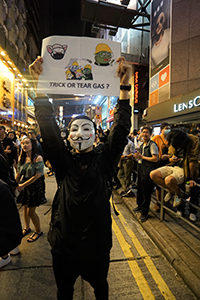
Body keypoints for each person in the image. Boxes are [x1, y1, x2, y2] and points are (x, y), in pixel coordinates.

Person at [29, 55, 132, 300]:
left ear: (96, 135)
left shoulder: (105, 160)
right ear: (68, 135)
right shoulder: (64, 163)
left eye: (86, 128)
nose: (80, 133)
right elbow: (49, 129)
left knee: (101, 289)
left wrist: (125, 86)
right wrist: (39, 87)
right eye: (74, 128)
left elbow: (120, 130)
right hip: (64, 249)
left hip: (97, 249)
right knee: (64, 292)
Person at [150, 128, 199, 217]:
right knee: (153, 174)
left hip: (185, 169)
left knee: (170, 181)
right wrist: (171, 158)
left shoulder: (193, 140)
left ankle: (190, 209)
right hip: (173, 165)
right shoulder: (173, 139)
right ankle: (174, 192)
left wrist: (191, 177)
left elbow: (192, 160)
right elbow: (170, 155)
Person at [15, 137, 44, 242]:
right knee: (25, 206)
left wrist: (22, 185)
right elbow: (18, 173)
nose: (24, 145)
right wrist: (14, 184)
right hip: (25, 185)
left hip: (35, 186)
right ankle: (27, 228)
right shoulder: (21, 158)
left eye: (27, 143)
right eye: (22, 143)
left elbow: (37, 175)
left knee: (30, 212)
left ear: (32, 145)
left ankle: (38, 231)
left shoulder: (38, 158)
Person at [133, 126, 159, 222]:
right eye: (143, 132)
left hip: (147, 170)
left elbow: (155, 159)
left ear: (150, 134)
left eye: (147, 132)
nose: (144, 134)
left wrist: (142, 157)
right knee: (139, 188)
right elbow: (140, 156)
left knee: (146, 191)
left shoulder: (152, 145)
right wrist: (137, 156)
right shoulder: (142, 144)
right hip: (140, 168)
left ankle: (145, 212)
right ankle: (139, 206)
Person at [151, 122, 171, 211]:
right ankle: (158, 202)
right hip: (159, 163)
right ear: (161, 130)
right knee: (159, 184)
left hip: (169, 163)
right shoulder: (157, 138)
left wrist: (169, 156)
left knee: (167, 181)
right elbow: (151, 146)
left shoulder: (171, 139)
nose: (168, 130)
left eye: (169, 128)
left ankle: (165, 201)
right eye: (166, 128)